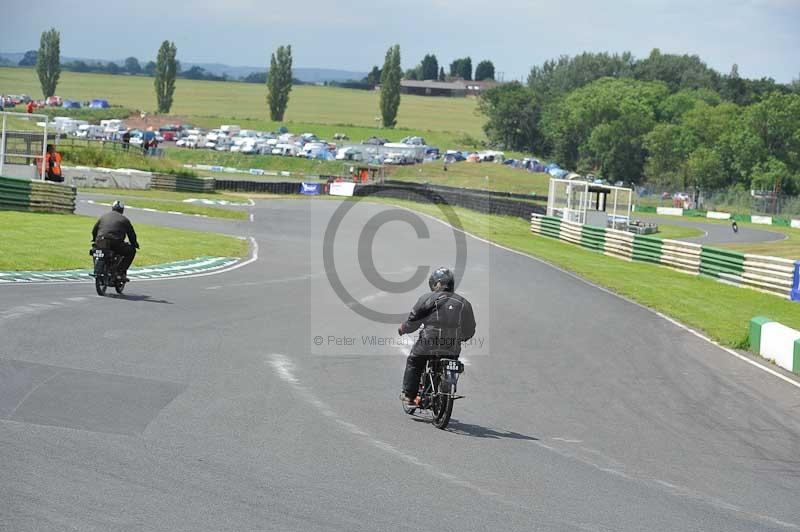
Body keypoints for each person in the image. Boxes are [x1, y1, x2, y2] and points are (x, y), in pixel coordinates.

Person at [397, 267, 476, 406]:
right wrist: (461, 338)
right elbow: (470, 329)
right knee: (451, 360)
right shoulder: (464, 303)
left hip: (428, 343)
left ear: (437, 283)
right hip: (452, 346)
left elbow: (413, 321)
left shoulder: (427, 298)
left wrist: (404, 328)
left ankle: (409, 395)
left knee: (414, 361)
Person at [91, 200, 139, 282]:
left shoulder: (104, 216)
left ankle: (98, 268)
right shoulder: (124, 220)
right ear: (122, 210)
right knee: (131, 251)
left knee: (95, 250)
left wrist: (94, 239)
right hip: (115, 242)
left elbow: (94, 230)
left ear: (112, 208)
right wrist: (134, 244)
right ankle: (119, 272)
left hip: (100, 240)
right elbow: (131, 234)